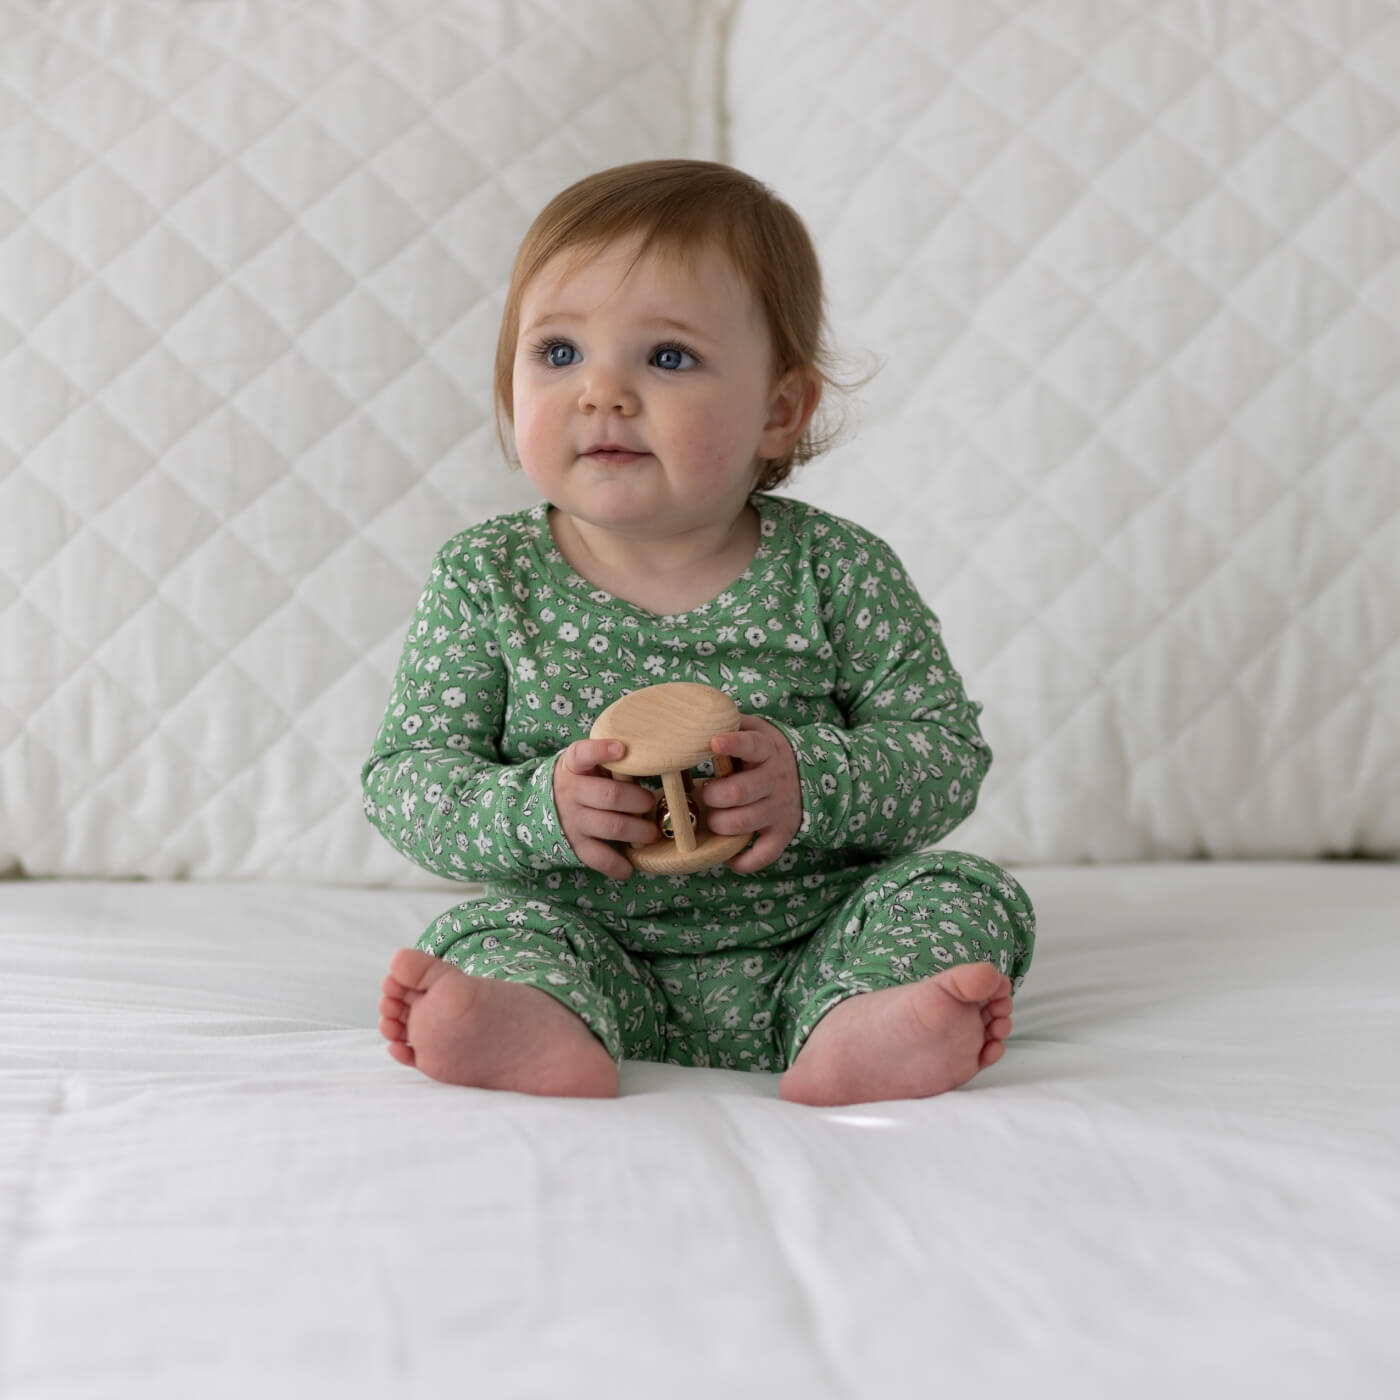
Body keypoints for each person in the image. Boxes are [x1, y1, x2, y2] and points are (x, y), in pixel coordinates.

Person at [363, 160, 1035, 1104]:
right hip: (588, 938)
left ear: (778, 410)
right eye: (557, 354)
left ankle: (864, 1024)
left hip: (816, 931)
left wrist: (813, 781)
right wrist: (540, 808)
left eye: (667, 358)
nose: (602, 392)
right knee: (483, 937)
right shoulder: (488, 577)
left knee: (963, 894)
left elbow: (944, 754)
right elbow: (409, 782)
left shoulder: (839, 569)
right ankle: (535, 1026)